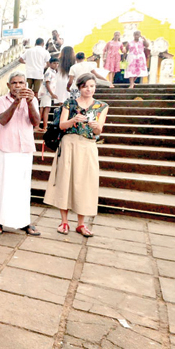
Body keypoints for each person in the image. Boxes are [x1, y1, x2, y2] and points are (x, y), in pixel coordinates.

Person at [43, 73, 109, 237]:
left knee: (86, 182)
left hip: (88, 145)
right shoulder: (69, 103)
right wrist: (74, 120)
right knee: (65, 181)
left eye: (92, 86)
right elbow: (62, 125)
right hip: (69, 143)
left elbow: (99, 130)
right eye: (86, 86)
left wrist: (95, 126)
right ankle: (64, 221)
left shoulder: (101, 106)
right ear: (79, 87)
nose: (89, 89)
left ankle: (81, 224)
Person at [0, 71, 41, 236]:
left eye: (21, 83)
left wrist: (30, 102)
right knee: (4, 186)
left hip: (25, 149)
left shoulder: (32, 100)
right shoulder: (1, 101)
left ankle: (24, 222)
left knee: (23, 187)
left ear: (25, 85)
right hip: (7, 149)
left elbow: (36, 122)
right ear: (8, 86)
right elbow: (3, 120)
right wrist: (16, 102)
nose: (18, 86)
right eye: (14, 83)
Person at [37, 57, 60, 132]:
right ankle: (43, 126)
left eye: (57, 63)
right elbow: (47, 84)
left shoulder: (53, 72)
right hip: (46, 93)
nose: (56, 65)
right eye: (54, 63)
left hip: (48, 94)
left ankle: (40, 126)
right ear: (50, 64)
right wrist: (52, 94)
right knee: (44, 109)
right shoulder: (49, 72)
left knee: (44, 109)